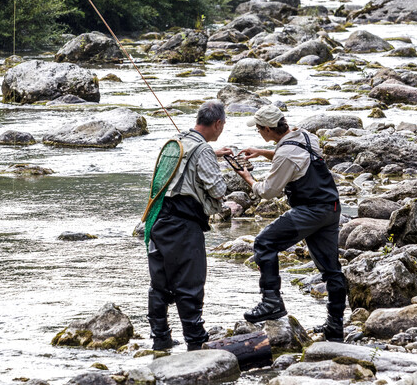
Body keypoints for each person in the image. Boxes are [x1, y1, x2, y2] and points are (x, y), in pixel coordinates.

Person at [232, 105, 346, 342]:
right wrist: (262, 152)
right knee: (331, 270)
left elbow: (268, 192)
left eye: (258, 129)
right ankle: (335, 327)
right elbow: (297, 157)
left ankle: (271, 302)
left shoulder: (285, 154)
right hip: (331, 208)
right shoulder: (306, 136)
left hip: (310, 211)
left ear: (267, 128)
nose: (257, 132)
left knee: (264, 243)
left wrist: (248, 178)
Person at [148, 100, 232, 351]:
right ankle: (196, 341)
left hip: (158, 221)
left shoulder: (176, 141)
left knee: (160, 284)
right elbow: (218, 190)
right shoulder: (202, 149)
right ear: (217, 123)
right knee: (190, 283)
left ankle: (160, 339)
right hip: (184, 225)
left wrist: (212, 154)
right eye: (223, 125)